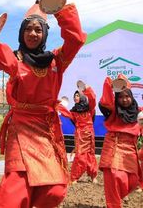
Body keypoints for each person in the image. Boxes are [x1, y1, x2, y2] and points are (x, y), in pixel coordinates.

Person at [0, 0, 86, 208]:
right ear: (21, 32)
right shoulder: (16, 59)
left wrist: (59, 11)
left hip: (46, 130)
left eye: (38, 29)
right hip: (21, 129)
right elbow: (0, 55)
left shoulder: (57, 60)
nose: (33, 33)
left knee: (54, 191)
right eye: (28, 29)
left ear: (45, 33)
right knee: (15, 189)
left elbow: (75, 41)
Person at [98, 75, 142, 208]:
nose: (124, 99)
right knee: (116, 178)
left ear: (131, 96)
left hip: (131, 151)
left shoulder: (138, 112)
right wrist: (111, 85)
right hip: (114, 148)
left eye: (127, 96)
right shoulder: (113, 110)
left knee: (134, 181)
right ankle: (114, 204)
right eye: (121, 96)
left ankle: (114, 200)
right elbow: (105, 101)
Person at [57, 83, 98, 184]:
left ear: (83, 97)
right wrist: (57, 104)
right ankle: (75, 176)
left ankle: (93, 175)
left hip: (89, 134)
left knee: (90, 154)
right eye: (75, 96)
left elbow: (92, 99)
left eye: (78, 95)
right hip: (80, 135)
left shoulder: (90, 109)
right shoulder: (74, 112)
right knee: (80, 155)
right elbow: (65, 112)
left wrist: (86, 88)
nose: (75, 97)